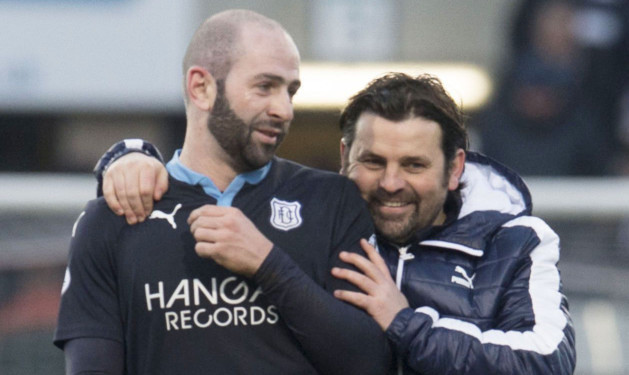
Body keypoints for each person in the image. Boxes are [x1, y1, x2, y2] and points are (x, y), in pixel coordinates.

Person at [95, 73, 577, 374]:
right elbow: (216, 166)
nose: (391, 183)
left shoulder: (515, 243)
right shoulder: (312, 224)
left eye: (413, 165)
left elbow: (546, 361)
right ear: (345, 157)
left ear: (455, 169)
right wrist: (131, 158)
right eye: (374, 161)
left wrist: (405, 323)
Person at [53, 9, 391, 375]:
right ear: (201, 87)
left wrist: (269, 266)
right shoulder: (114, 217)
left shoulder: (333, 200)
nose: (284, 109)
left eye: (290, 91)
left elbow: (372, 362)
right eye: (265, 86)